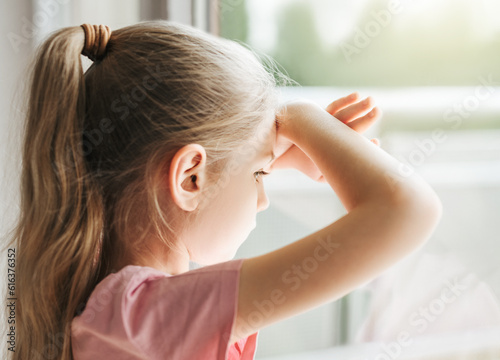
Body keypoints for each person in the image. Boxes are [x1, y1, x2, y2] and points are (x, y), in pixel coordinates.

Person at [4, 20, 442, 360]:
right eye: (259, 177)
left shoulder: (106, 303)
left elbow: (221, 180)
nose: (264, 198)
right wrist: (302, 117)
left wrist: (275, 153)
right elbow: (406, 212)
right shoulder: (151, 316)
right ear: (190, 177)